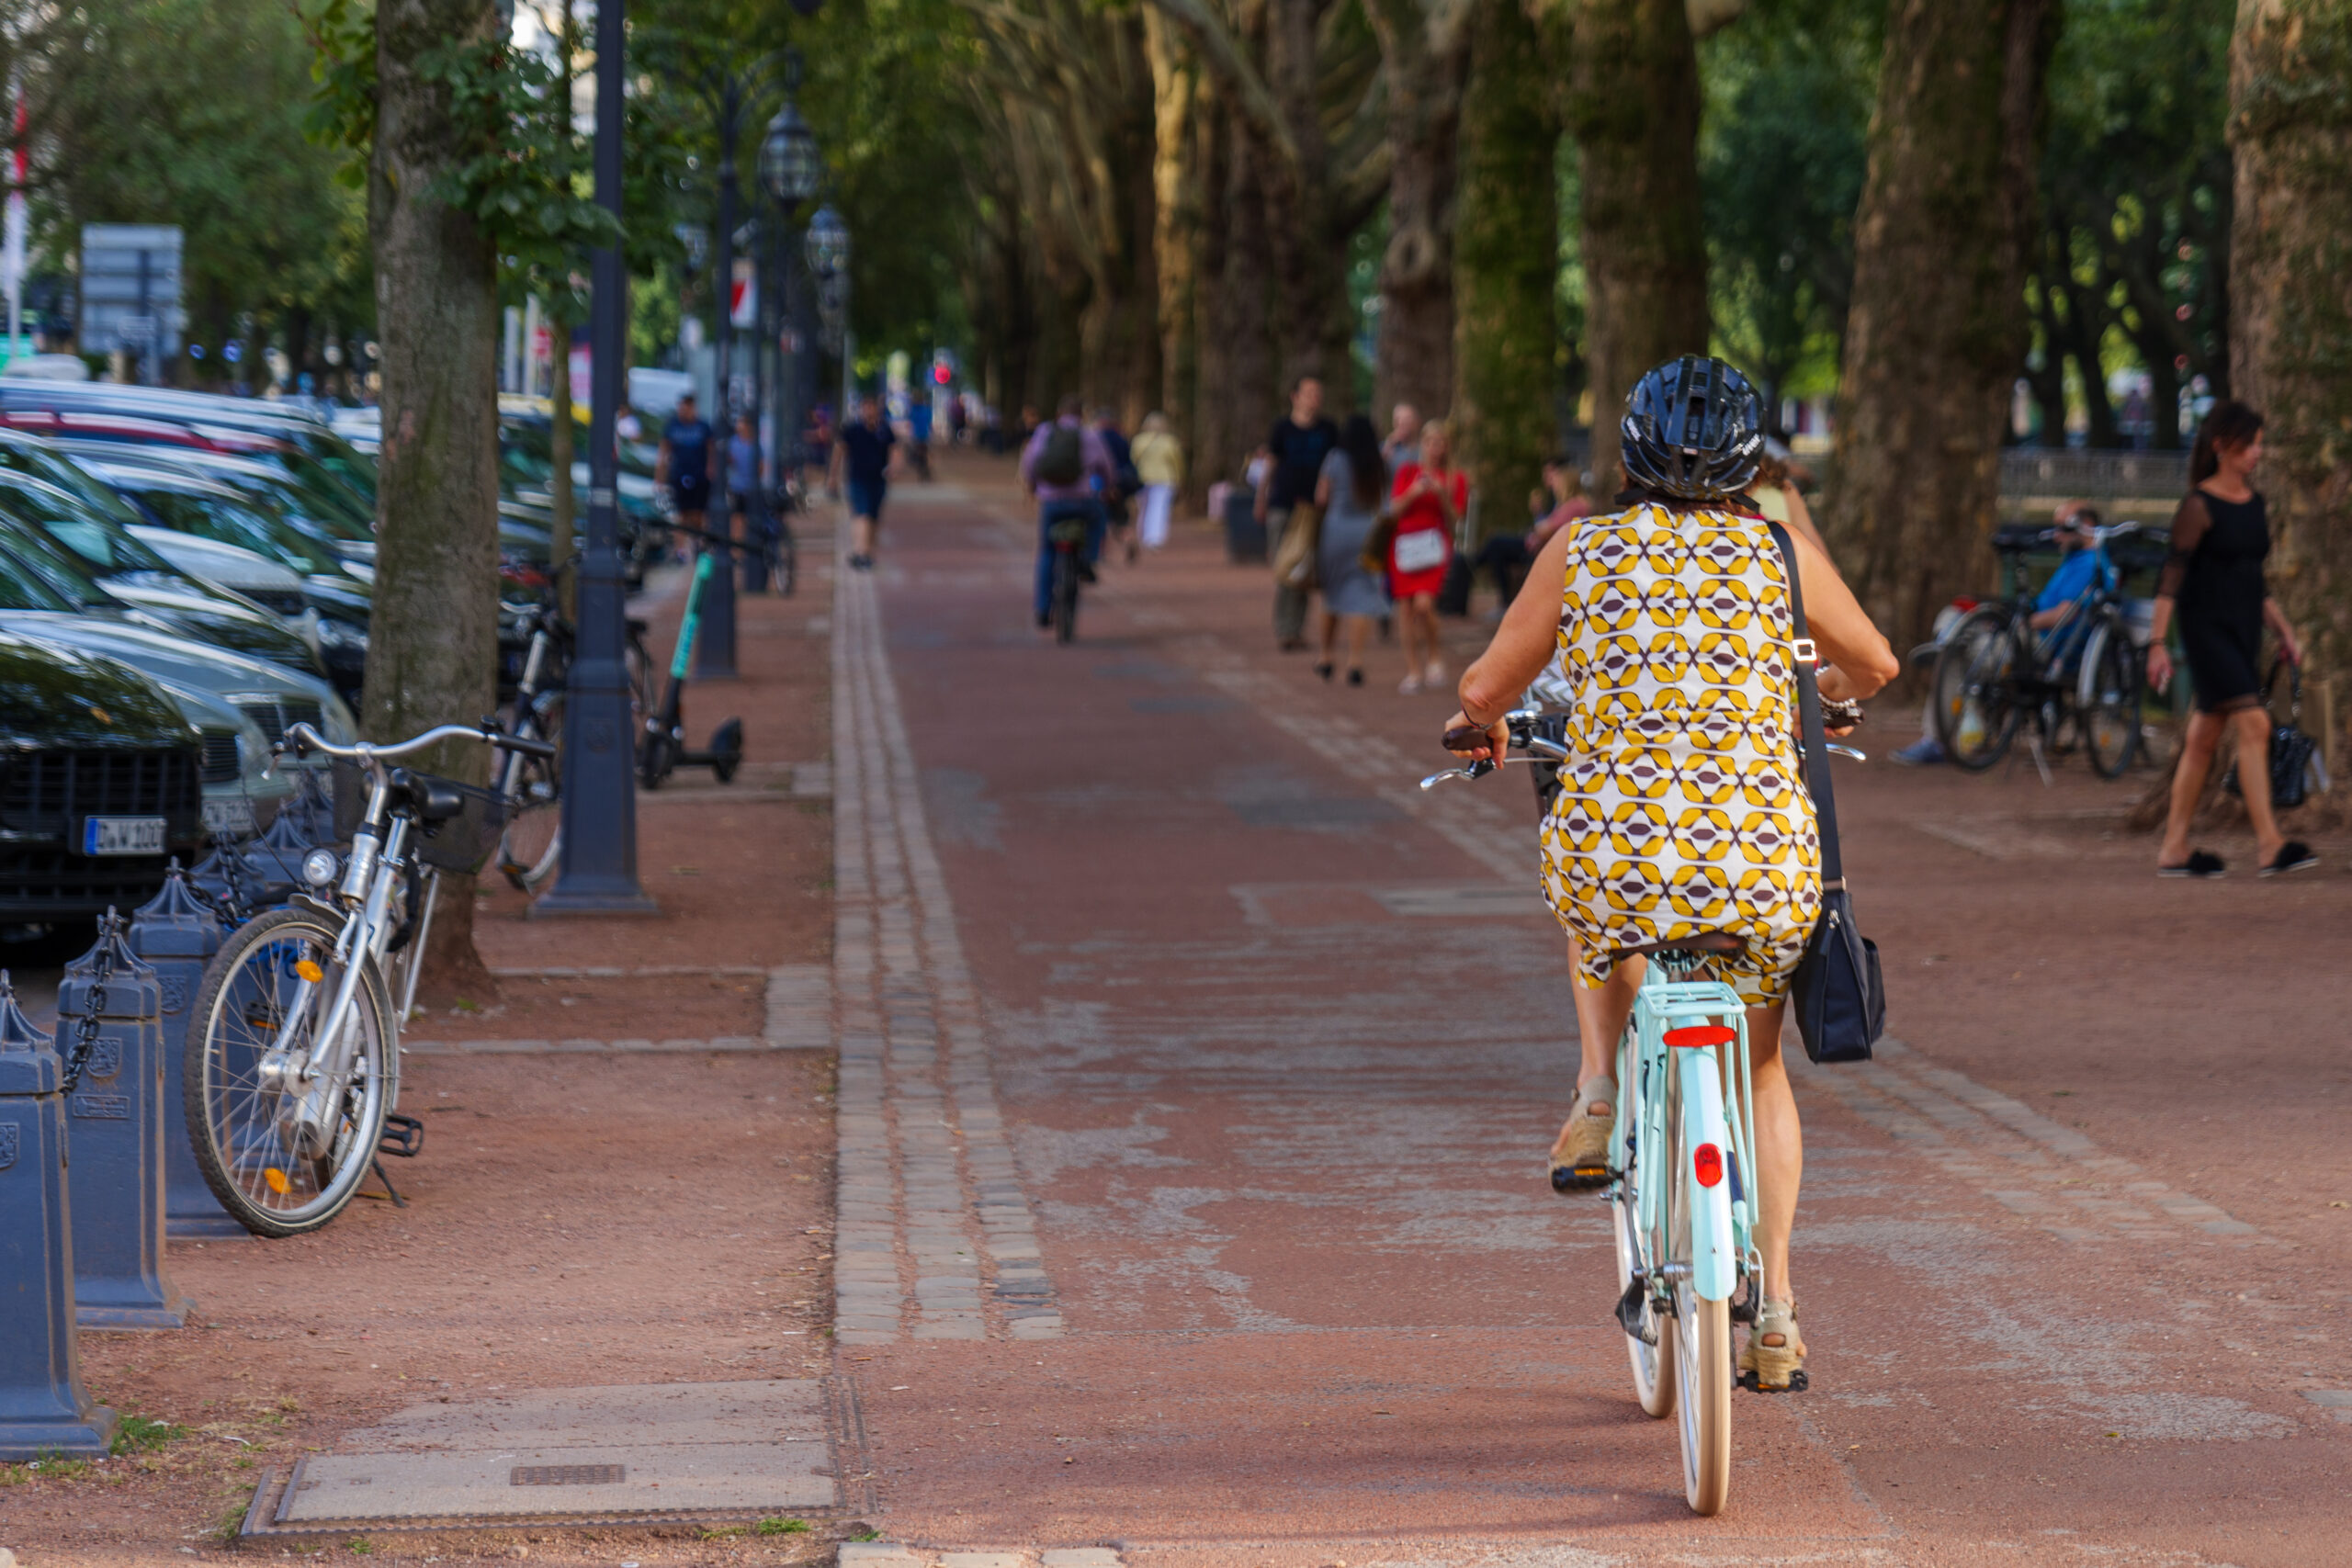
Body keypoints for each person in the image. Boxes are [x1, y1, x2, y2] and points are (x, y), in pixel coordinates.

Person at [1449, 355, 1897, 1391]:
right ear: (1750, 456)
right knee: (1765, 1067)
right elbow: (1873, 661)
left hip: (1623, 849)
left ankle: (1599, 1092)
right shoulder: (1776, 553)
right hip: (1763, 859)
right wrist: (1817, 695)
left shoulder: (1583, 549)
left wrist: (1477, 724)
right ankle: (1775, 1307)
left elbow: (1486, 685)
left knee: (1596, 904)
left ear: (1629, 452)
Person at [2146, 401, 2313, 878]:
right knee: (2256, 725)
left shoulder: (2256, 504)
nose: (2258, 452)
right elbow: (2171, 577)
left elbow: (2252, 580)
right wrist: (2156, 644)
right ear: (2221, 446)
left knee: (2203, 736)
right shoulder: (2197, 505)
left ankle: (2174, 848)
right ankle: (2270, 844)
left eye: (2261, 443)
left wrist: (2283, 630)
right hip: (2206, 630)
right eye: (2250, 444)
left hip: (2243, 628)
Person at [1893, 499, 2109, 766]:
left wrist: (2017, 624)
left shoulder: (2089, 564)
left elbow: (2062, 615)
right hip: (2025, 638)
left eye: (2064, 528)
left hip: (2038, 648)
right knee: (1957, 614)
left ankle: (1938, 735)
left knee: (1955, 657)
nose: (2056, 536)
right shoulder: (2073, 561)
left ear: (2087, 526)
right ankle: (1948, 640)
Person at [1255, 376, 1340, 650]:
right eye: (1309, 393)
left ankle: (1296, 628)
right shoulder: (1282, 429)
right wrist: (1261, 498)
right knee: (1285, 567)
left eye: (1318, 393)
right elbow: (1271, 464)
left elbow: (1337, 466)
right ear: (1295, 397)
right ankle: (1285, 628)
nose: (1315, 398)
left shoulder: (1328, 429)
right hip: (1284, 506)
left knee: (1304, 568)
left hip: (1314, 510)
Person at [1020, 394, 1116, 630]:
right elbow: (1107, 468)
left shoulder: (1045, 432)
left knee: (1046, 553)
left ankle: (1043, 609)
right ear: (1081, 414)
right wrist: (1109, 489)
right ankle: (1089, 560)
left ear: (1058, 414)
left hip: (1051, 503)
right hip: (1082, 502)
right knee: (1100, 516)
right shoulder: (1089, 435)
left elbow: (1030, 463)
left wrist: (1033, 486)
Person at [1311, 415, 1390, 686]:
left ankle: (1325, 656)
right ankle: (1355, 661)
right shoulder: (1377, 462)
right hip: (1365, 532)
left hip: (1335, 529)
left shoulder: (1335, 458)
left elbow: (1321, 496)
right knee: (1363, 595)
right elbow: (1382, 500)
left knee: (1332, 593)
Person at [1388, 418, 1466, 693]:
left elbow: (1456, 517)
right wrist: (1414, 492)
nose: (1435, 448)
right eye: (1430, 442)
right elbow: (1394, 509)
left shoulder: (1455, 477)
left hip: (1433, 548)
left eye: (1440, 443)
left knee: (1424, 604)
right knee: (1406, 609)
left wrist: (1441, 493)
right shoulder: (1408, 472)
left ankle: (1434, 654)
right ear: (1423, 445)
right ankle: (1413, 670)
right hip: (1405, 547)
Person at [1471, 457, 1593, 611]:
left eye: (1555, 478)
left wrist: (1538, 518)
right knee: (1496, 543)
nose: (1553, 483)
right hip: (1544, 548)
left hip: (1545, 551)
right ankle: (1474, 564)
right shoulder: (1569, 503)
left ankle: (1475, 566)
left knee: (1496, 543)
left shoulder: (1574, 505)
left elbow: (1545, 528)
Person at [829, 394, 897, 570]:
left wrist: (894, 468)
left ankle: (866, 551)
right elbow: (839, 452)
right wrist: (833, 477)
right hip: (857, 479)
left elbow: (894, 450)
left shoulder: (884, 430)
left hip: (878, 480)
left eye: (872, 407)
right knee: (862, 515)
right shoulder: (852, 430)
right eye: (865, 407)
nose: (868, 411)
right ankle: (861, 553)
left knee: (873, 517)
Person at [658, 391, 718, 539]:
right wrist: (659, 477)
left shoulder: (703, 426)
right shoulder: (673, 426)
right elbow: (664, 453)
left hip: (699, 476)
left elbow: (711, 451)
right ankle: (682, 550)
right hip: (679, 475)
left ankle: (698, 544)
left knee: (698, 514)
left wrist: (711, 470)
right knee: (681, 514)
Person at [1092, 407, 1142, 562]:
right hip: (1120, 485)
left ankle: (1101, 552)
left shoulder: (1095, 438)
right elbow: (1129, 462)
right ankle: (1128, 539)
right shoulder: (1121, 439)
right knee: (1120, 517)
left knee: (1100, 519)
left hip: (1101, 484)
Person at [1131, 412, 1183, 551]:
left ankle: (1143, 534)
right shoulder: (1169, 441)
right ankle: (1154, 538)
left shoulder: (1138, 440)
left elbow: (1133, 460)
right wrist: (1178, 478)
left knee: (1144, 508)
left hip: (1142, 478)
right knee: (1159, 508)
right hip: (1164, 478)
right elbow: (1177, 462)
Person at [1383, 402, 1422, 471]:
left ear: (1417, 422)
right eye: (1397, 419)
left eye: (1407, 419)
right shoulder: (1385, 448)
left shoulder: (1425, 448)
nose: (1401, 423)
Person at [907, 389, 934, 481]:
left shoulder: (913, 410)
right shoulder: (927, 409)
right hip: (925, 434)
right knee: (926, 452)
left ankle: (922, 469)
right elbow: (930, 423)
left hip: (917, 434)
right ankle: (926, 469)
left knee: (919, 452)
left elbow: (910, 423)